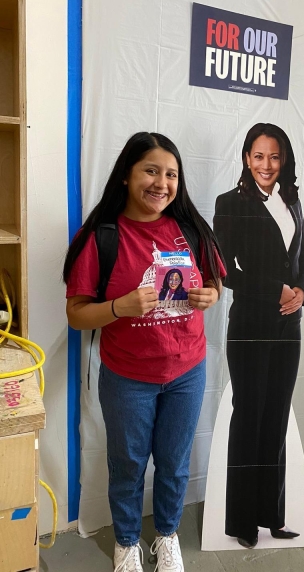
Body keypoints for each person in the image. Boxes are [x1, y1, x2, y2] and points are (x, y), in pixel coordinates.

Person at [63, 132, 225, 572]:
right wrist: (119, 307)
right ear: (126, 176)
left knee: (174, 463)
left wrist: (210, 294)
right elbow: (77, 315)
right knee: (128, 465)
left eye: (170, 174)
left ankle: (167, 536)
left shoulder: (190, 228)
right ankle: (127, 542)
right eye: (151, 170)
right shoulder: (103, 236)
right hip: (128, 378)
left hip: (187, 370)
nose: (162, 183)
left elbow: (214, 280)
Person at [213, 123, 304, 549]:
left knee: (275, 423)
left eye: (274, 156)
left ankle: (272, 516)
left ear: (284, 159)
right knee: (249, 420)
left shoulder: (292, 201)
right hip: (251, 327)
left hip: (288, 328)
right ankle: (241, 522)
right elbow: (225, 271)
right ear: (246, 158)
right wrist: (275, 289)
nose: (266, 165)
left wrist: (302, 293)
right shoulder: (229, 203)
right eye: (258, 156)